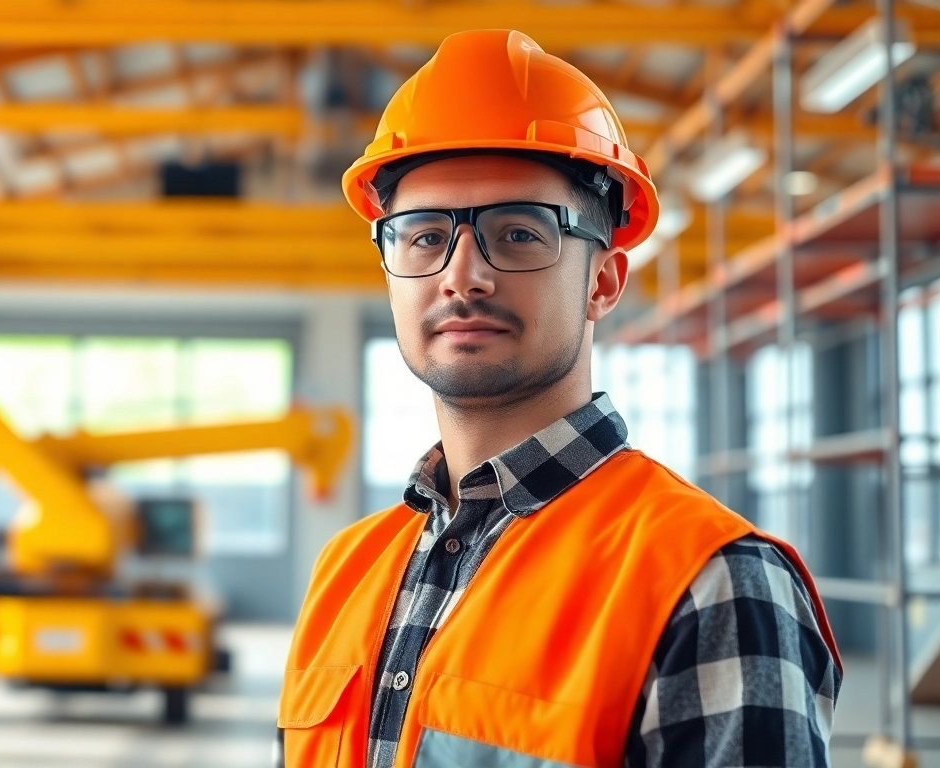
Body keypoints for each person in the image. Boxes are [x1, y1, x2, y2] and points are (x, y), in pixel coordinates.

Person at [278, 30, 842, 768]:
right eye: (423, 237)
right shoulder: (342, 571)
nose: (463, 276)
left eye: (517, 233)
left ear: (604, 282)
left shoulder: (711, 583)